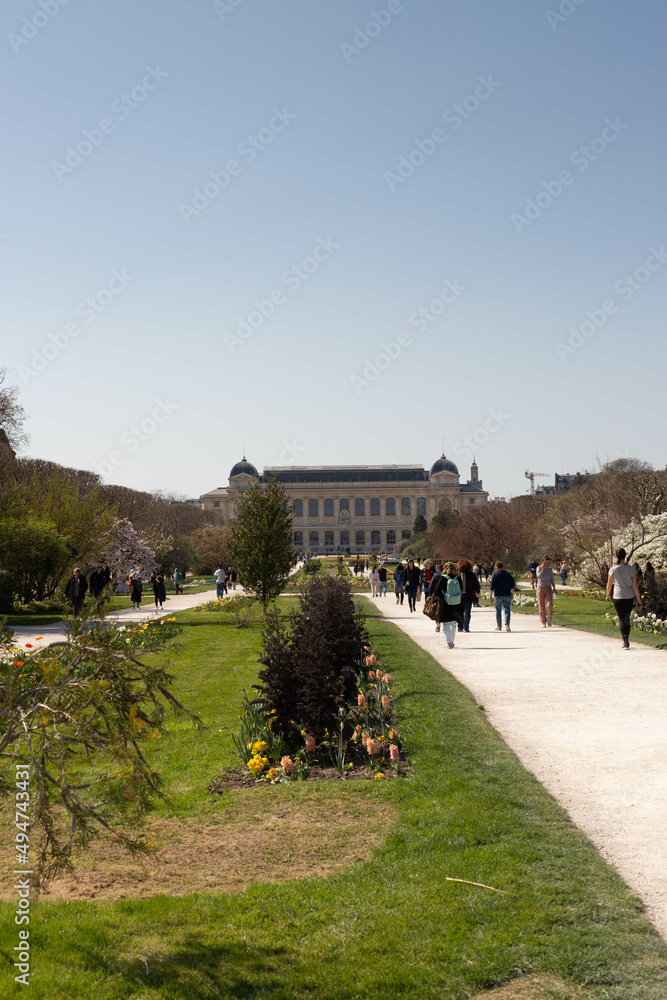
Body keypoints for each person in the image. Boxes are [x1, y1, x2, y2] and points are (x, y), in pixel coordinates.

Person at [606, 548, 642, 649]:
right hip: (629, 597)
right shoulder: (631, 569)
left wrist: (608, 595)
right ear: (625, 556)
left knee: (621, 618)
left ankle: (625, 641)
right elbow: (635, 586)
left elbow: (609, 584)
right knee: (626, 618)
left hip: (618, 596)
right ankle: (626, 640)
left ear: (616, 557)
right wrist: (638, 599)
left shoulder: (613, 569)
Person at [431, 560, 463, 649]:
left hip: (445, 602)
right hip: (456, 602)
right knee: (453, 623)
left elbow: (436, 591)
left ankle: (449, 642)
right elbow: (462, 589)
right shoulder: (458, 578)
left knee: (446, 623)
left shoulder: (443, 578)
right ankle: (452, 641)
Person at [489, 561, 515, 632]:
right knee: (507, 610)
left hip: (498, 595)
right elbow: (512, 586)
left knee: (498, 610)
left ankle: (499, 626)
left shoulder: (495, 575)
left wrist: (490, 596)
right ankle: (507, 623)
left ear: (496, 568)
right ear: (503, 567)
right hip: (507, 594)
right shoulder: (508, 575)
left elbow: (492, 587)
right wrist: (512, 593)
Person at [457, 559, 480, 633]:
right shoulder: (472, 575)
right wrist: (477, 591)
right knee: (467, 611)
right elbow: (476, 584)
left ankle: (460, 627)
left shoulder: (458, 575)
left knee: (459, 611)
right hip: (469, 595)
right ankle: (466, 627)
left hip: (458, 595)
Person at [536, 555, 557, 627]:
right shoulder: (538, 568)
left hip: (548, 588)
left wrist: (554, 588)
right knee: (541, 607)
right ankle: (543, 621)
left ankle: (549, 619)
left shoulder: (550, 569)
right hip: (540, 588)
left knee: (549, 605)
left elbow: (552, 579)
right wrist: (543, 569)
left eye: (548, 563)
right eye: (545, 563)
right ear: (542, 562)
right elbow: (539, 577)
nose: (547, 565)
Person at [428, 562, 443, 631]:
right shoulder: (447, 576)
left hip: (436, 595)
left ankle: (437, 623)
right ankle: (444, 624)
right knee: (443, 610)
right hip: (444, 595)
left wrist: (430, 594)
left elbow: (431, 586)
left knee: (437, 610)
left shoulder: (435, 575)